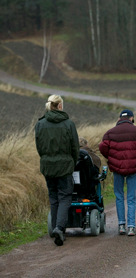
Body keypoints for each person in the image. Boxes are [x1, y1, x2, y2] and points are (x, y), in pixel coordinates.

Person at [35, 94, 79, 246]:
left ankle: (55, 228)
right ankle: (60, 228)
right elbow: (75, 147)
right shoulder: (68, 124)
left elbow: (39, 147)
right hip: (65, 166)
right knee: (65, 197)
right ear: (60, 105)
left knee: (53, 197)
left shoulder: (40, 124)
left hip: (47, 166)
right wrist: (72, 162)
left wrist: (46, 159)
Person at [99, 109, 136, 236]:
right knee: (131, 197)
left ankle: (121, 225)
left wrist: (111, 158)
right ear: (132, 118)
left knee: (119, 196)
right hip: (133, 167)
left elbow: (103, 147)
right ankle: (131, 227)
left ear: (119, 118)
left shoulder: (110, 133)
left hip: (117, 168)